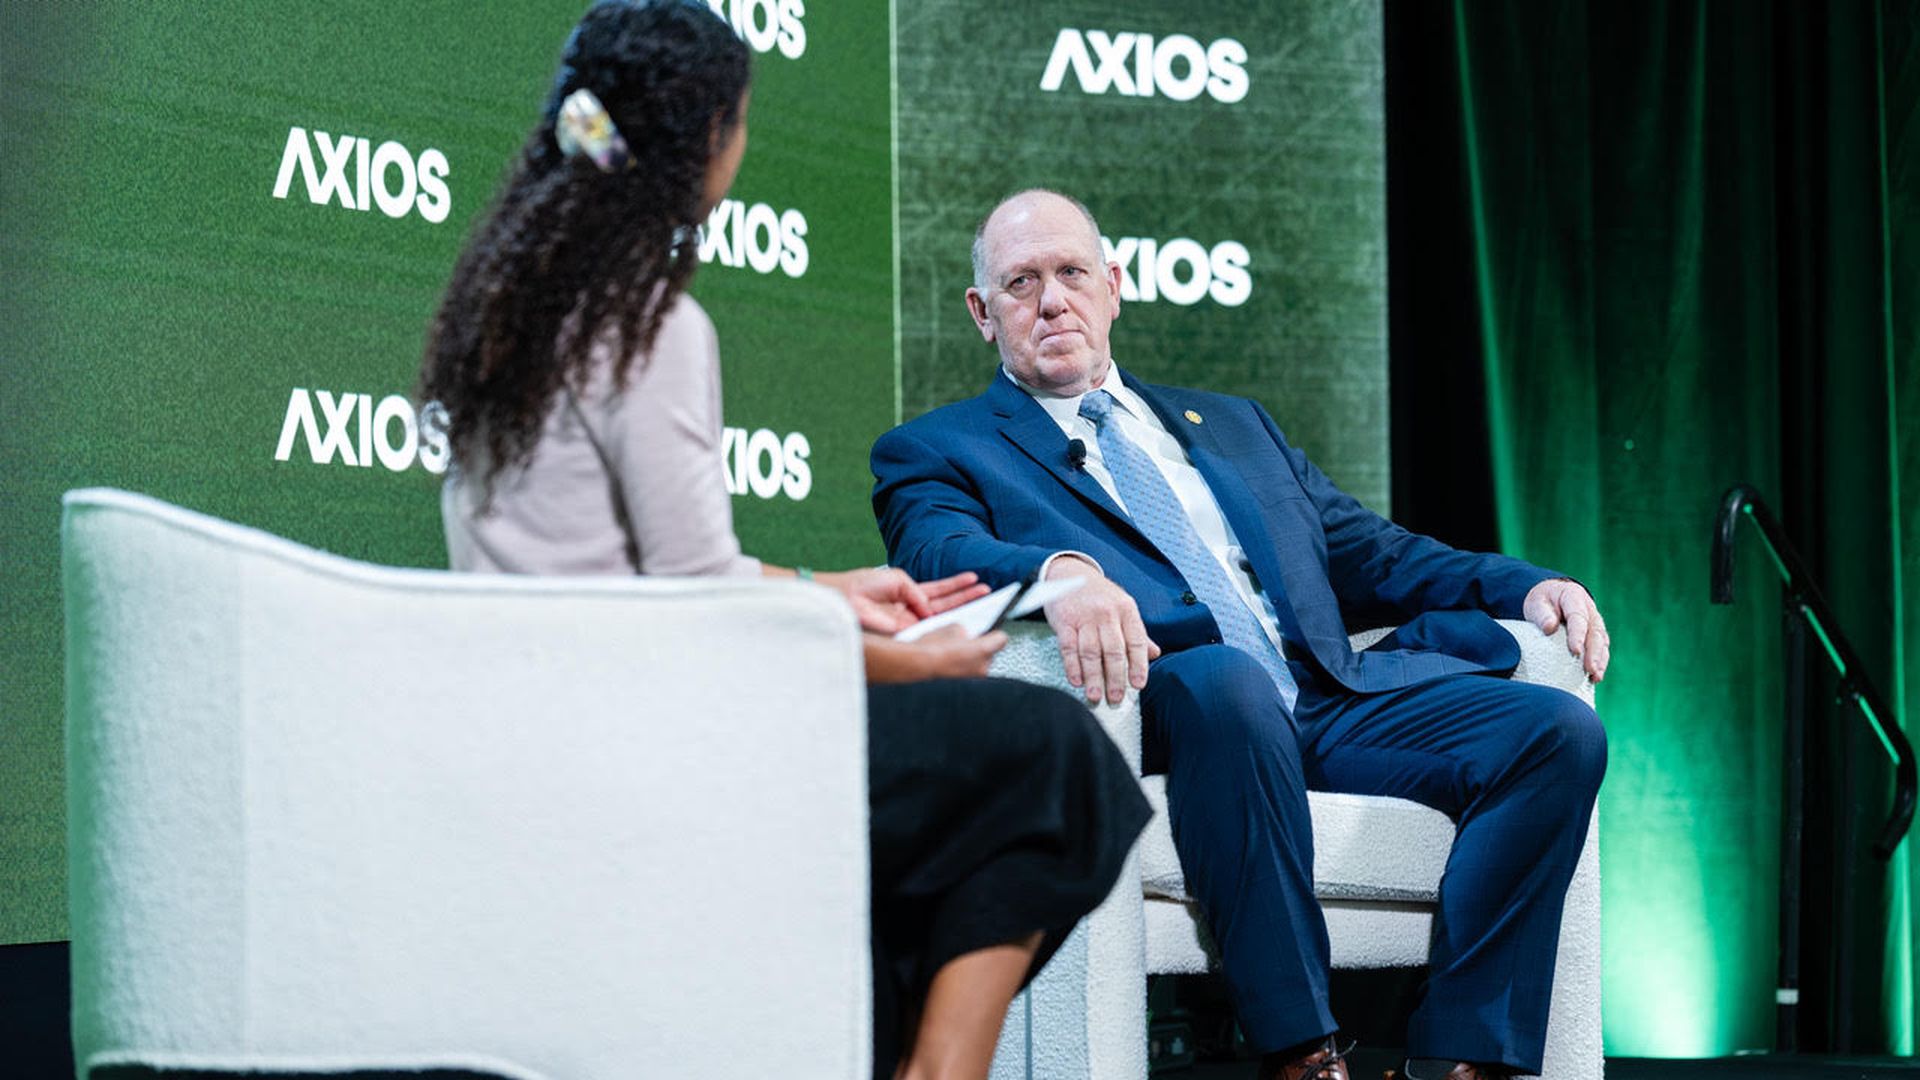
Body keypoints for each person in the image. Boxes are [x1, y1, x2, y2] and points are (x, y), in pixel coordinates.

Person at [420, 11, 1149, 1078]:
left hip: (556, 724)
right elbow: (697, 603)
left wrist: (823, 587)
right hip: (658, 743)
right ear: (709, 135)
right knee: (1055, 754)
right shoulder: (649, 324)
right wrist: (904, 660)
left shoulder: (505, 311)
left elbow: (614, 566)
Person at [870, 189, 1611, 1080]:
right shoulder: (938, 448)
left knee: (1555, 733)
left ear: (1113, 286)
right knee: (1228, 679)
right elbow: (938, 555)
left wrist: (1528, 585)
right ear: (982, 314)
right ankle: (1304, 1053)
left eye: (1071, 273)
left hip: (1324, 702)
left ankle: (1466, 1061)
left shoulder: (1232, 424)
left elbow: (1374, 554)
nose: (1053, 300)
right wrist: (1060, 572)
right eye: (1021, 283)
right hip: (1171, 703)